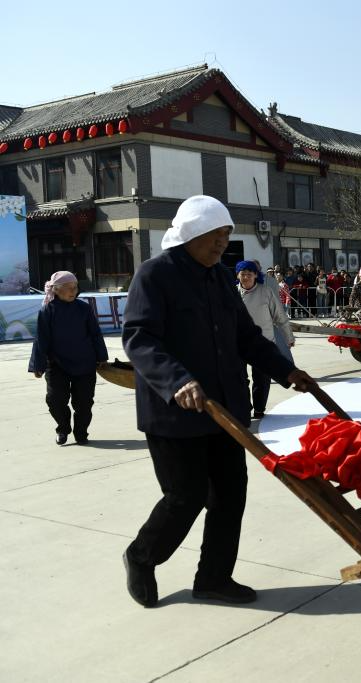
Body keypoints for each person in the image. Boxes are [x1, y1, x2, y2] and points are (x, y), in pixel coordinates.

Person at [121, 195, 317, 608]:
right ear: (192, 232)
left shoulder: (219, 277)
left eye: (226, 235)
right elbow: (140, 338)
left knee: (230, 494)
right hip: (176, 413)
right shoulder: (155, 275)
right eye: (215, 235)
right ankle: (141, 556)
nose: (221, 244)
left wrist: (286, 370)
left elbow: (246, 337)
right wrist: (178, 381)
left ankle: (214, 578)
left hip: (224, 410)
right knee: (185, 496)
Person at [28, 270, 108, 445]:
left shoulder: (84, 308)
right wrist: (37, 365)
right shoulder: (47, 311)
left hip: (85, 363)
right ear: (56, 290)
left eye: (75, 287)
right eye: (68, 287)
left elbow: (95, 334)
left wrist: (102, 357)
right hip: (57, 364)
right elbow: (41, 340)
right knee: (55, 400)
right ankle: (63, 428)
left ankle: (81, 432)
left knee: (84, 403)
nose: (73, 291)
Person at [235, 261, 295, 419]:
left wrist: (288, 337)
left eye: (249, 274)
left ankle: (259, 408)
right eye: (243, 274)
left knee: (262, 379)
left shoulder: (266, 292)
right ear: (238, 275)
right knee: (239, 379)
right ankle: (245, 408)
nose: (246, 277)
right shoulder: (233, 293)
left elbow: (280, 317)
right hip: (238, 343)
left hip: (263, 343)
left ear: (256, 275)